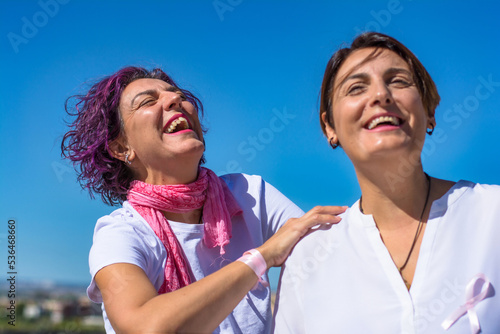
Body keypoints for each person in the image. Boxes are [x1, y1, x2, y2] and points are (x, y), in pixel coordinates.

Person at [61, 66, 345, 334]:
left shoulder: (250, 194)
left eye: (180, 96)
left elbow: (338, 256)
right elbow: (144, 326)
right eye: (148, 101)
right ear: (122, 147)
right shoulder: (121, 235)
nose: (175, 99)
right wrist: (262, 257)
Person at [273, 32, 500, 333]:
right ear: (330, 126)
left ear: (429, 111)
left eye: (398, 81)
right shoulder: (308, 258)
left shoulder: (492, 213)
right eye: (356, 88)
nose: (381, 95)